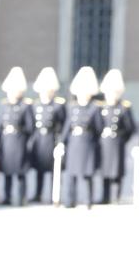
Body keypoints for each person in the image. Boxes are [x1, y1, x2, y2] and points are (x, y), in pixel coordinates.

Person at [57, 66, 103, 209]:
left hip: (87, 142)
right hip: (74, 142)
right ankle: (70, 200)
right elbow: (67, 126)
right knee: (71, 173)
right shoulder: (72, 107)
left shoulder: (95, 108)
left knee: (87, 173)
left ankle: (88, 200)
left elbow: (99, 128)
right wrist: (61, 143)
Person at [0, 67, 34, 205]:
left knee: (20, 172)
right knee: (7, 171)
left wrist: (27, 141)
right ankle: (7, 196)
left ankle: (22, 197)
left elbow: (30, 126)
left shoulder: (25, 106)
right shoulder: (4, 105)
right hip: (6, 141)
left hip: (19, 141)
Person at [27, 67, 66, 203]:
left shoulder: (58, 105)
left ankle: (53, 194)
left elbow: (62, 123)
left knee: (53, 170)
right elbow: (31, 123)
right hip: (39, 139)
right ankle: (37, 193)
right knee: (39, 169)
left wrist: (60, 141)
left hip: (51, 138)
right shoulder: (35, 104)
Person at [97, 69, 136, 204]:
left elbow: (130, 128)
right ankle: (105, 196)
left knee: (117, 170)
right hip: (104, 142)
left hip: (117, 142)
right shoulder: (102, 107)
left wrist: (121, 138)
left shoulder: (124, 108)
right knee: (105, 170)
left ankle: (116, 196)